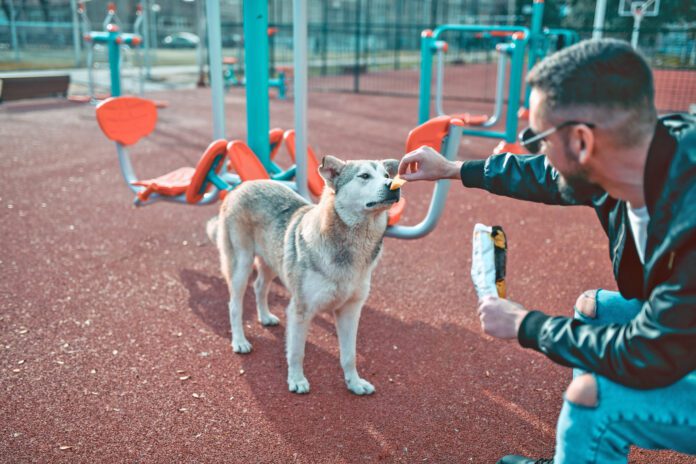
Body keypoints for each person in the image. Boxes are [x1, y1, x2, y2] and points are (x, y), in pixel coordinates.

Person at [398, 38, 696, 464]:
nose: (533, 148)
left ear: (580, 142)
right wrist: (451, 170)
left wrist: (526, 324)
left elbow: (650, 353)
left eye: (537, 137)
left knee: (593, 401)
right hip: (681, 331)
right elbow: (546, 175)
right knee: (596, 310)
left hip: (671, 343)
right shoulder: (634, 158)